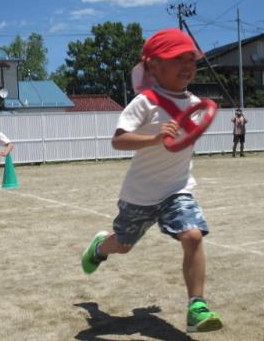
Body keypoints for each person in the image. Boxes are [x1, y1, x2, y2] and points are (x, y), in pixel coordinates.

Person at [81, 28, 223, 333]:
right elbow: (118, 141)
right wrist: (156, 138)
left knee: (194, 236)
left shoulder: (196, 102)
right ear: (154, 66)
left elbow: (194, 129)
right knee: (123, 245)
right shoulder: (145, 102)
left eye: (191, 59)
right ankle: (98, 248)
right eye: (177, 59)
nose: (187, 64)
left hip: (177, 190)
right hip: (139, 195)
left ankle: (196, 306)